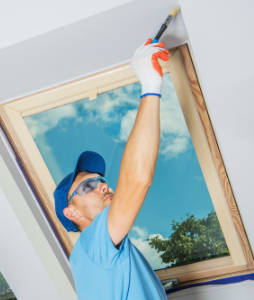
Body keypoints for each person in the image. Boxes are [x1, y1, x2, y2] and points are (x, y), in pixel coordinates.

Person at [54, 39, 170, 300]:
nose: (103, 185)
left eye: (100, 179)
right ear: (71, 212)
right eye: (87, 186)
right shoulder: (91, 247)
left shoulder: (110, 250)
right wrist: (151, 85)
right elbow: (137, 179)